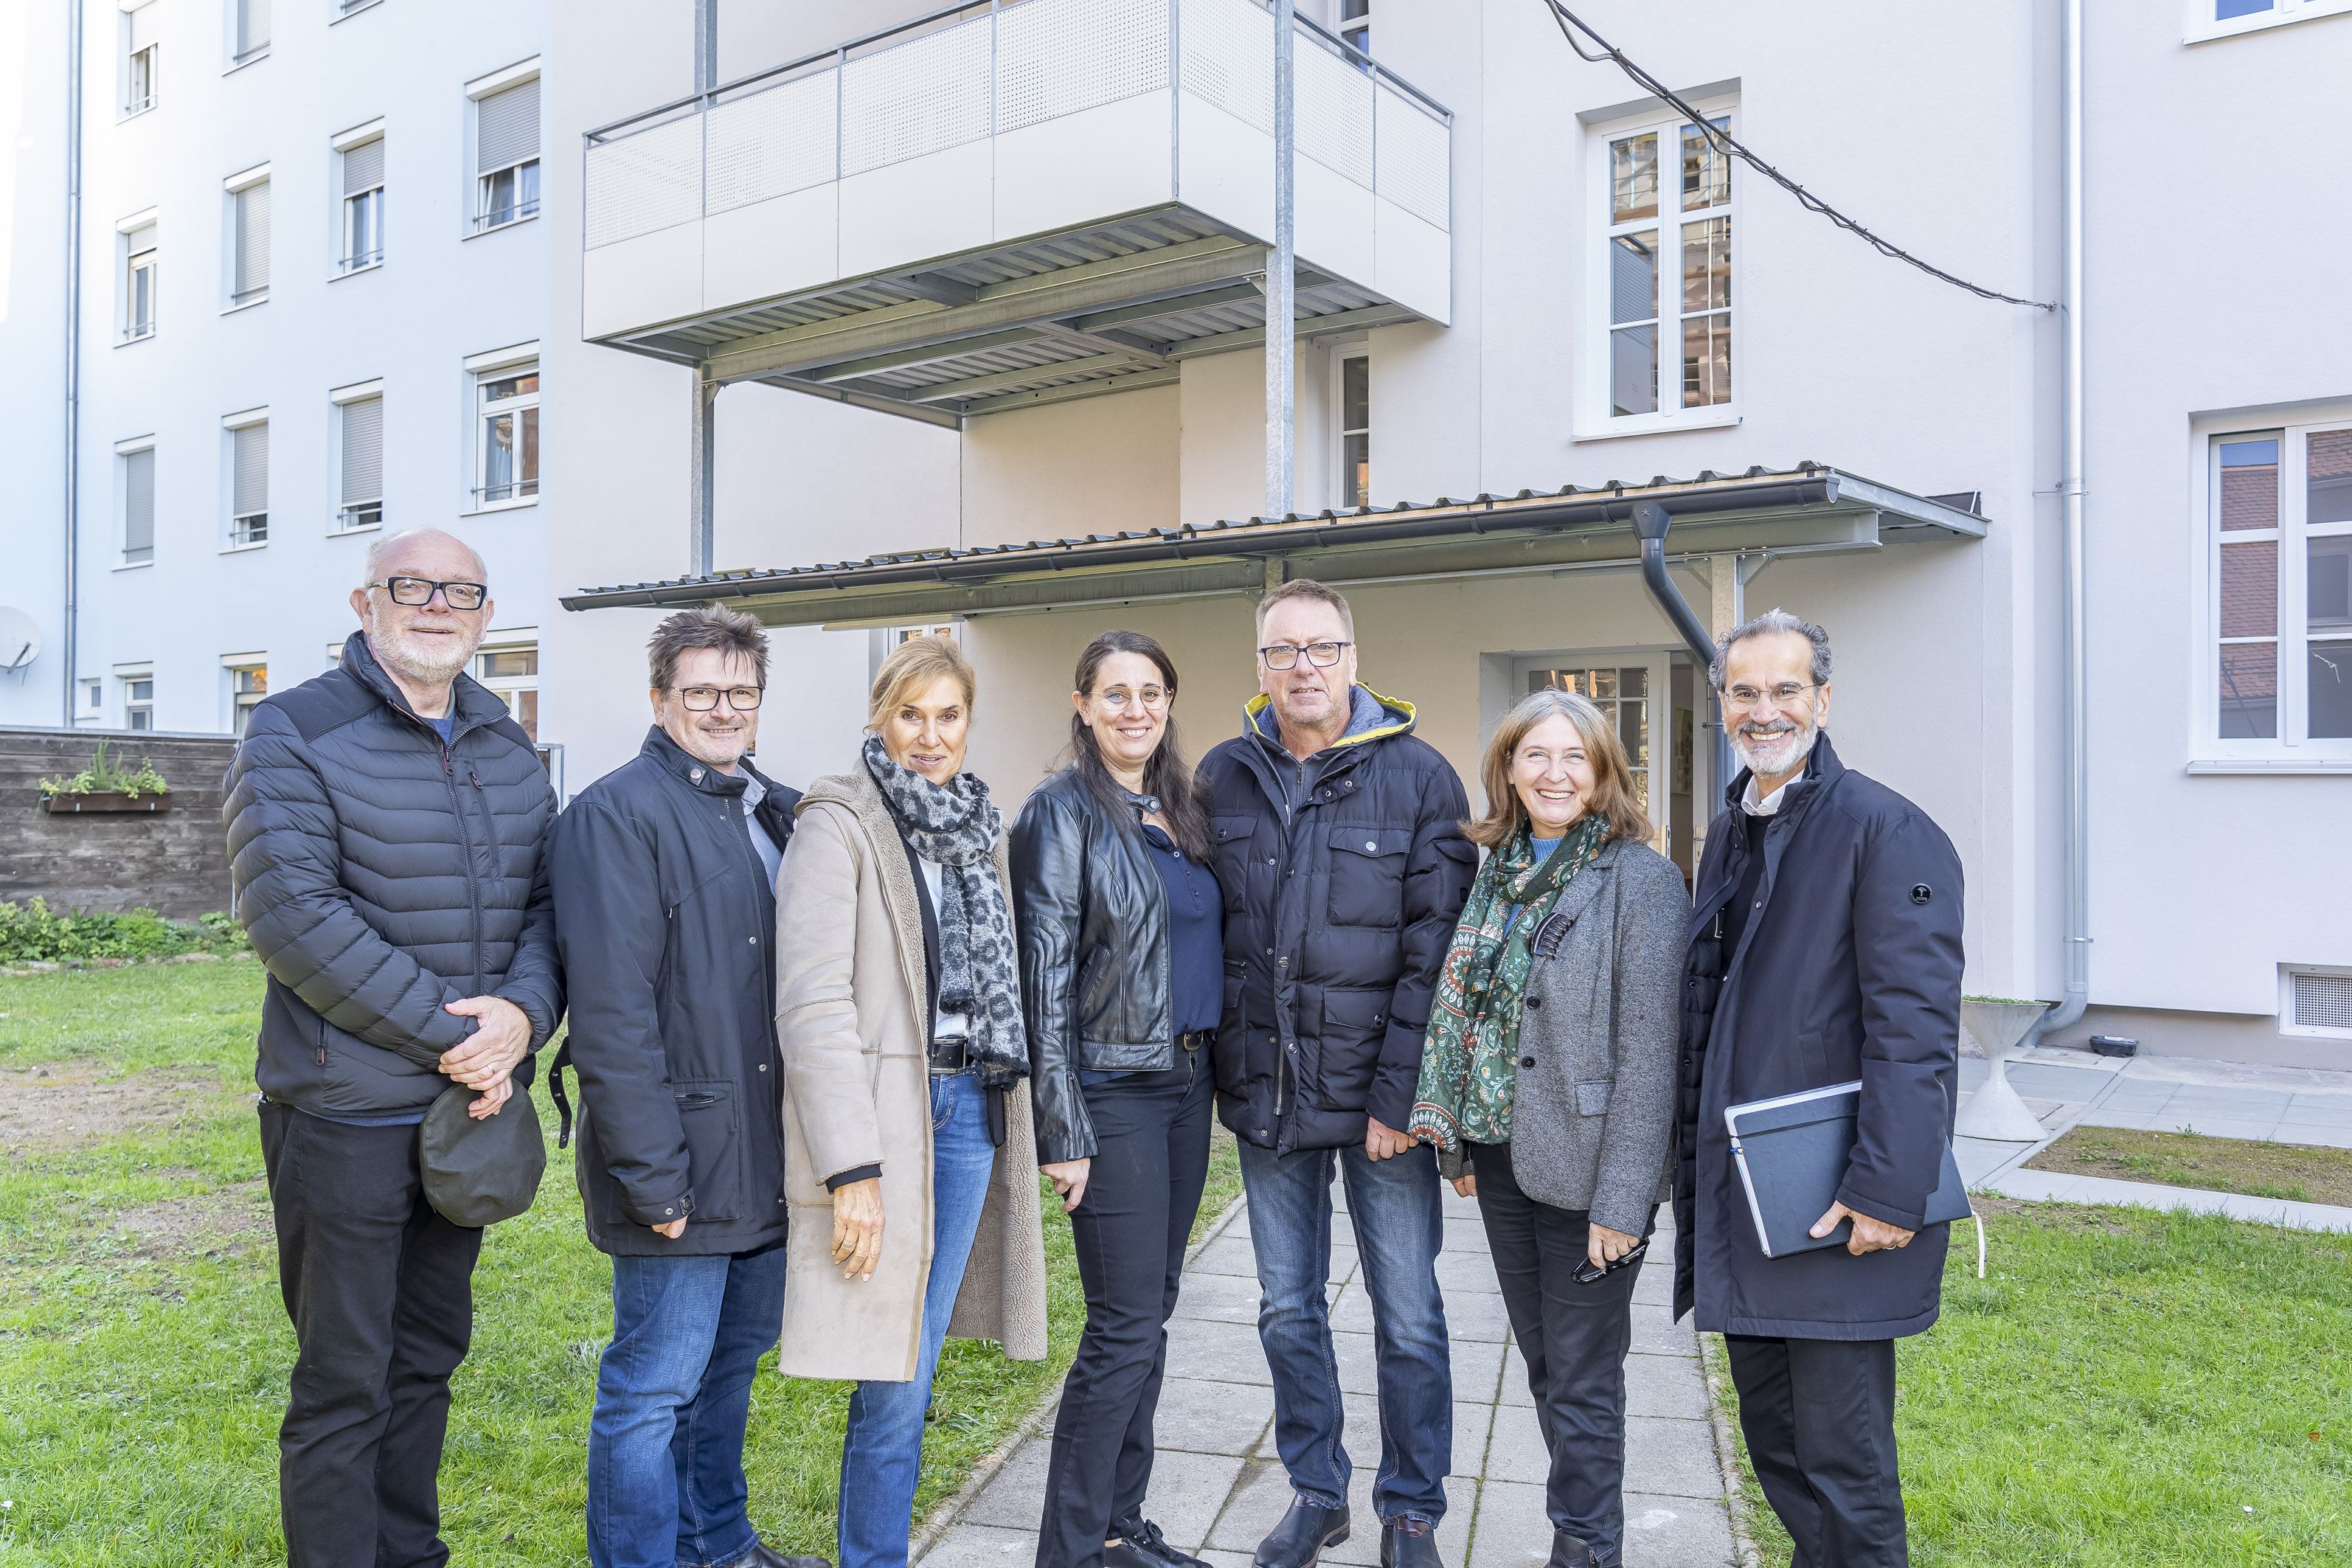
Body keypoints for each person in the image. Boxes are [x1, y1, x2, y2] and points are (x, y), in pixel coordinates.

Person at [224, 527, 563, 1568]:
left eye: (461, 591)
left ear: (484, 615)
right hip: (344, 1109)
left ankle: (410, 1555)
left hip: (464, 1109)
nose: (436, 605)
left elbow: (550, 910)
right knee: (344, 1374)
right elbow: (291, 913)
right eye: (412, 586)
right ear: (367, 601)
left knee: (425, 1359)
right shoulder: (290, 730)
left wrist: (522, 1015)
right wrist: (457, 1035)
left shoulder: (507, 745)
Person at [1673, 609, 1964, 1568]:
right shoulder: (1734, 827)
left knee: (1843, 1460)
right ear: (1722, 705)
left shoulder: (1885, 831)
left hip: (1837, 1197)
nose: (1764, 710)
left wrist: (1889, 1188)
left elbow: (1914, 1033)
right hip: (1751, 1201)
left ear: (1824, 700)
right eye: (1744, 692)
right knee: (1779, 1444)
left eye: (1784, 688)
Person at [1196, 579, 1475, 1568]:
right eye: (1282, 651)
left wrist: (1401, 1099)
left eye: (1320, 648)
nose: (1302, 667)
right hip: (1268, 1097)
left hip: (1379, 1108)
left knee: (1407, 1311)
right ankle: (1319, 1490)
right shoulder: (1221, 775)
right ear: (1259, 666)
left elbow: (1436, 953)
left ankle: (1411, 1508)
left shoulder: (1421, 778)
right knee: (1286, 1307)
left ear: (1355, 658)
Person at [547, 605, 825, 1568]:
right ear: (660, 696)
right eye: (700, 690)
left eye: (738, 691)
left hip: (764, 1156)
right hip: (678, 1162)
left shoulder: (774, 809)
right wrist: (653, 1176)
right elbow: (612, 1018)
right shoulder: (616, 815)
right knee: (649, 1388)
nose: (721, 707)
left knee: (727, 1373)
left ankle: (719, 1542)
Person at [774, 635, 1050, 1568]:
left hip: (971, 1104)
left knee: (918, 1352)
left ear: (969, 722)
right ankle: (876, 1556)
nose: (930, 736)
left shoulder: (978, 824)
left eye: (949, 714)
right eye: (910, 714)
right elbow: (812, 1002)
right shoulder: (839, 819)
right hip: (891, 1113)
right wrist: (852, 1165)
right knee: (890, 1362)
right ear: (879, 716)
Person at [1406, 689, 1685, 1568]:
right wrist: (1456, 1140)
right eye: (1537, 755)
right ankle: (1582, 1528)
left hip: (1593, 1165)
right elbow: (1474, 1010)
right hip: (1501, 1157)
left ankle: (1588, 1546)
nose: (1555, 773)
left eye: (1575, 756)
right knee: (1546, 1364)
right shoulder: (1497, 863)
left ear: (1605, 770)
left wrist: (1624, 1201)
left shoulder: (1639, 878)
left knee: (1584, 1375)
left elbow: (1651, 1053)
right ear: (1510, 768)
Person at [1013, 631, 1224, 1568]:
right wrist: (1062, 1127)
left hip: (1187, 1082)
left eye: (1151, 692)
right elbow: (1042, 978)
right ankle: (1070, 1548)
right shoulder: (1059, 813)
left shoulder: (1181, 807)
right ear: (1083, 703)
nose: (1135, 709)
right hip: (1111, 1087)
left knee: (1155, 1307)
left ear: (1170, 703)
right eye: (1116, 694)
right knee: (1123, 1321)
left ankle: (1117, 1522)